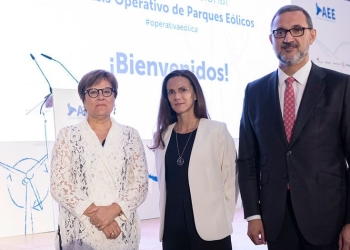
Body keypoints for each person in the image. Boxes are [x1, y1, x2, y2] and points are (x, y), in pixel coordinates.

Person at [237, 4, 350, 250]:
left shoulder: (340, 86)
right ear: (271, 39)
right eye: (280, 32)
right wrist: (253, 214)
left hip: (328, 216)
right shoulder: (254, 91)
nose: (288, 38)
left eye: (297, 30)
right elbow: (247, 159)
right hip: (274, 219)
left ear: (312, 35)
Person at [50, 69, 149, 249]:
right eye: (93, 92)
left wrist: (113, 211)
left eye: (106, 91)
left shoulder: (131, 136)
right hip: (80, 230)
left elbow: (140, 184)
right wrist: (99, 216)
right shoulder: (68, 135)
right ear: (83, 98)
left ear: (114, 97)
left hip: (121, 227)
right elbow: (60, 185)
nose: (100, 97)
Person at [151, 69, 237, 250]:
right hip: (172, 229)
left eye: (183, 90)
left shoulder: (217, 131)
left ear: (195, 94)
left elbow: (232, 180)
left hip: (211, 228)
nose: (177, 96)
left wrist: (224, 219)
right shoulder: (163, 135)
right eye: (171, 92)